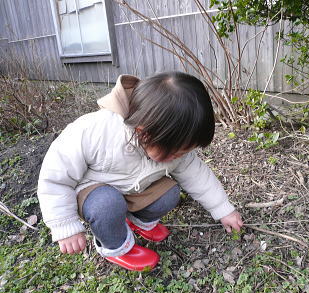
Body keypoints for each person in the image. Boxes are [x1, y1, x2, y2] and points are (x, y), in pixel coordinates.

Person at [37, 71, 243, 271]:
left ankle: (137, 222)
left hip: (133, 188)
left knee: (170, 193)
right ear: (143, 134)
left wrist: (224, 209)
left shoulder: (170, 142)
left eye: (185, 152)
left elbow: (198, 176)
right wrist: (65, 225)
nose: (180, 157)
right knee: (107, 205)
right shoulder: (94, 132)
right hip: (94, 192)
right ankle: (117, 247)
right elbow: (55, 178)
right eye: (176, 153)